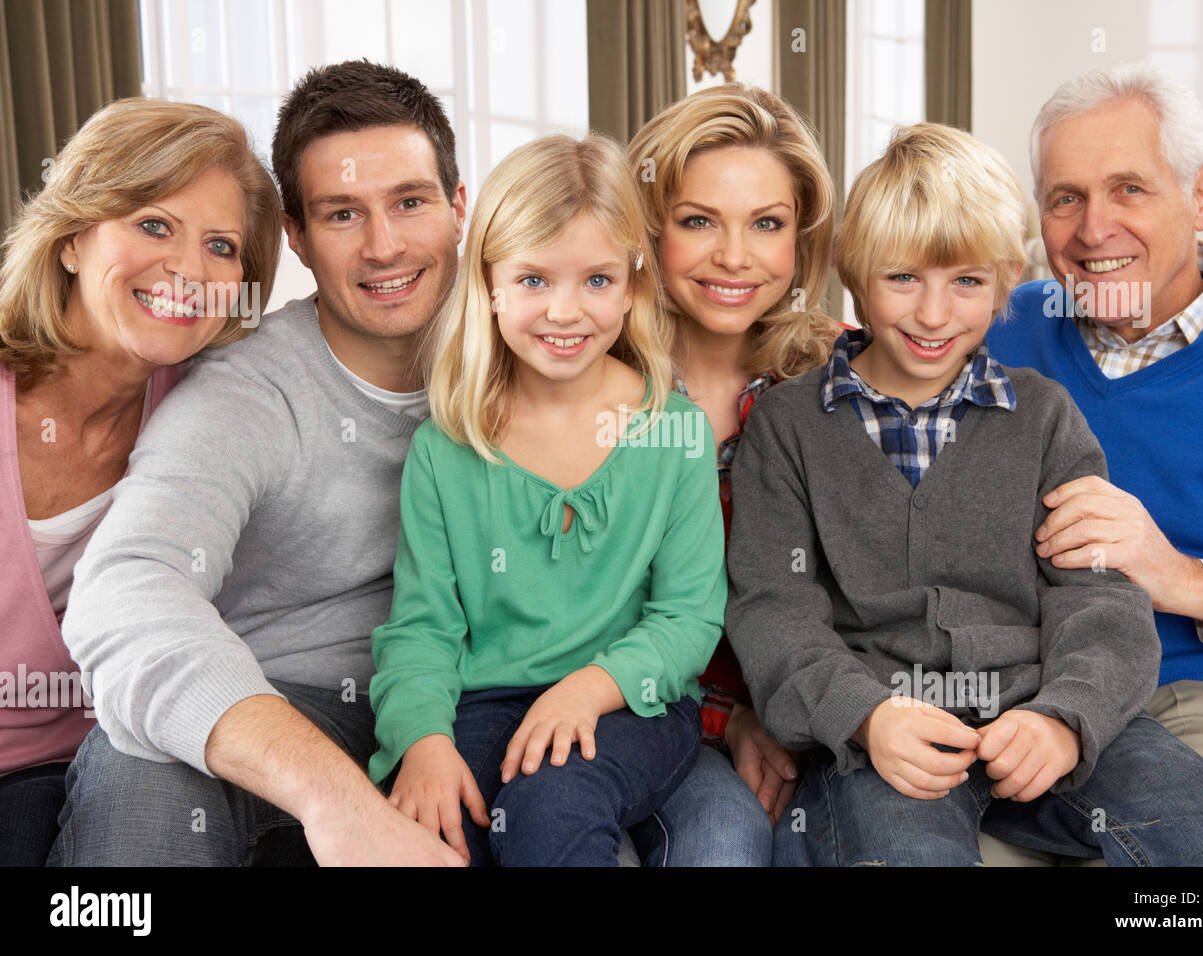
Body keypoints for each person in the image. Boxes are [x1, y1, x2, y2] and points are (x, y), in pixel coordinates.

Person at [726, 122, 1203, 865]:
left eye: (967, 282)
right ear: (855, 278)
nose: (934, 315)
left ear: (1007, 287)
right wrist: (867, 719)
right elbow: (775, 611)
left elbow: (1098, 597)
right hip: (886, 741)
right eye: (902, 278)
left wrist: (1066, 719)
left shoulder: (1044, 415)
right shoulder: (788, 424)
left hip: (1043, 715)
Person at [48, 61, 468, 866]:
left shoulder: (539, 346)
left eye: (410, 202)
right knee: (139, 769)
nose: (384, 247)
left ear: (457, 207)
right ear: (296, 238)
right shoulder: (243, 394)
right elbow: (127, 588)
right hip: (264, 705)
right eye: (343, 214)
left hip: (455, 702)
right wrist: (331, 797)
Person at [369, 133, 725, 867]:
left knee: (550, 804)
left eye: (596, 281)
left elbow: (687, 618)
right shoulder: (446, 450)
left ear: (630, 287)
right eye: (534, 281)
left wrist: (589, 690)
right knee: (432, 823)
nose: (566, 312)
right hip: (484, 701)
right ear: (490, 284)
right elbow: (422, 631)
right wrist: (424, 739)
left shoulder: (675, 433)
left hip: (635, 700)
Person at [987, 63, 1203, 827]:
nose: (1094, 229)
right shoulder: (1002, 325)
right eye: (1067, 198)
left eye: (1129, 188)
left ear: (1201, 197)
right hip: (1033, 706)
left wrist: (1186, 579)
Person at [0, 98, 281, 866]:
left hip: (120, 754)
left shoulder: (209, 410)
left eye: (221, 246)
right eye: (155, 225)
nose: (189, 270)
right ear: (71, 240)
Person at [625, 84, 842, 865]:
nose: (735, 257)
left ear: (801, 241)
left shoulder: (848, 374)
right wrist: (726, 721)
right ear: (648, 232)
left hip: (824, 713)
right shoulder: (589, 384)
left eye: (767, 224)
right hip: (657, 717)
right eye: (697, 222)